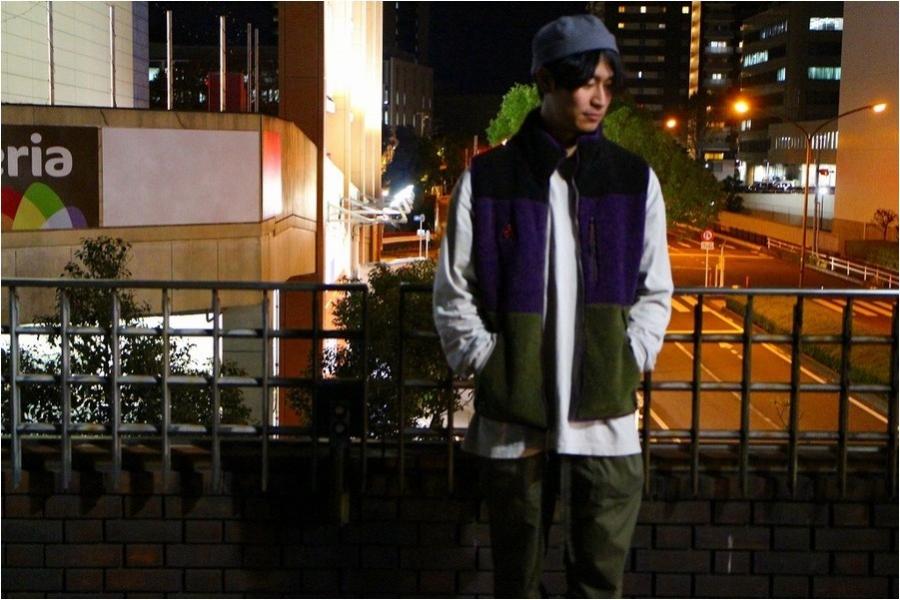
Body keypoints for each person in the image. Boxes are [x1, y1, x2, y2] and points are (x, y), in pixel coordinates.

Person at [433, 13, 673, 599]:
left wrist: (630, 356)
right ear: (545, 81)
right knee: (515, 584)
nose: (599, 98)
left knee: (599, 582)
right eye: (585, 82)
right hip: (514, 428)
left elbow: (656, 289)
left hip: (607, 426)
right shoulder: (488, 178)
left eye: (608, 84)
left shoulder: (633, 179)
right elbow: (453, 290)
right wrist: (488, 362)